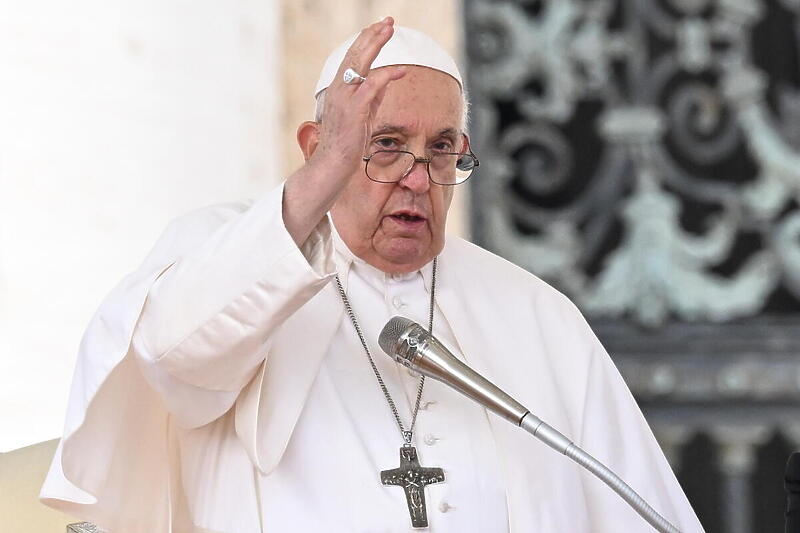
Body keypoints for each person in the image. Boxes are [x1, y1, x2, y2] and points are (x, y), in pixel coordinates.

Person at [40, 18, 704, 533]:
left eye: (441, 148)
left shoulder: (536, 313)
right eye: (385, 145)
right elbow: (173, 359)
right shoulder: (227, 250)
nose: (417, 177)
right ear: (314, 147)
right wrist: (317, 184)